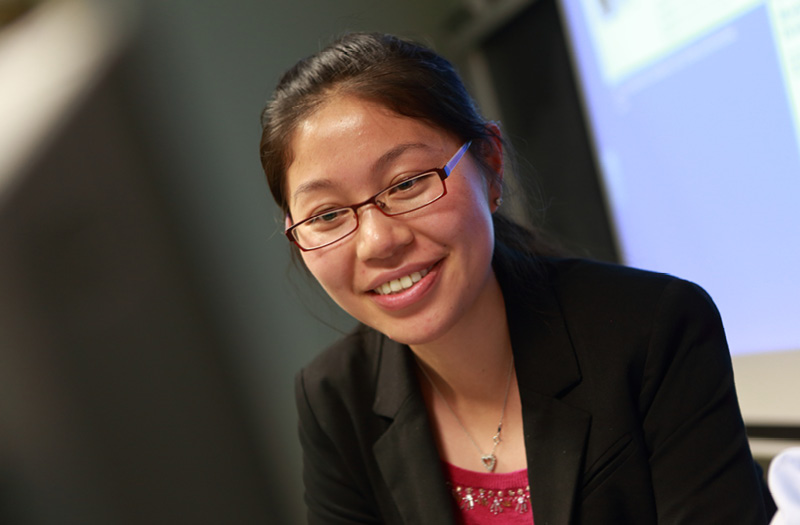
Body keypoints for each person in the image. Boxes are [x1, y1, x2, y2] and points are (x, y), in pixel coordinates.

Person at [260, 32, 771, 524]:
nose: (378, 242)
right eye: (326, 215)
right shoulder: (334, 395)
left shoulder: (651, 329)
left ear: (491, 163)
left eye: (409, 183)